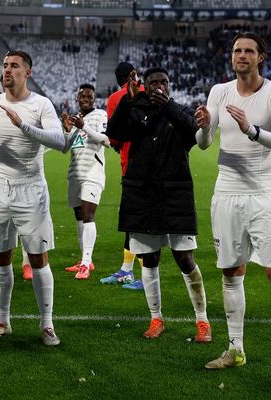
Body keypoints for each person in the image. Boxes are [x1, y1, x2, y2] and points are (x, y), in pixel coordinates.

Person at [195, 32, 271, 388]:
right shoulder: (218, 91)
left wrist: (251, 129)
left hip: (263, 195)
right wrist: (200, 128)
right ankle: (235, 348)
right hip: (226, 194)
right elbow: (205, 143)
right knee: (231, 272)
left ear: (261, 57)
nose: (240, 55)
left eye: (248, 51)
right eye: (236, 50)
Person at [0, 50, 65, 346]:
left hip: (31, 188)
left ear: (27, 72)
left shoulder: (41, 104)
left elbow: (60, 141)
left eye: (14, 66)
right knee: (0, 257)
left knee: (37, 257)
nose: (7, 70)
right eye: (5, 65)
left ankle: (47, 325)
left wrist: (23, 126)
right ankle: (2, 322)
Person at [107, 67, 212, 343]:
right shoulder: (135, 108)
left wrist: (169, 107)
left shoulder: (181, 110)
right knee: (149, 259)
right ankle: (156, 318)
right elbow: (114, 132)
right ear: (145, 85)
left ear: (169, 84)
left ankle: (202, 320)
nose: (158, 87)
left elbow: (195, 135)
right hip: (141, 194)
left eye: (163, 82)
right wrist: (128, 101)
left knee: (185, 258)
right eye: (152, 83)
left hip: (175, 195)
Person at [101, 62, 145, 288]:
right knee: (138, 221)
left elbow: (114, 138)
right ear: (133, 74)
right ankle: (126, 271)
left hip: (131, 165)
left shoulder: (115, 98)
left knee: (137, 220)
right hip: (154, 165)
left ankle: (146, 276)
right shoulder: (150, 93)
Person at [60, 83, 110, 280]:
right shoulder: (75, 118)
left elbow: (106, 140)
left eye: (89, 97)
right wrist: (67, 130)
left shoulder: (100, 115)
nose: (86, 100)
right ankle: (84, 260)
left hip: (93, 172)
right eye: (83, 97)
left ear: (94, 98)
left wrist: (84, 127)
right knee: (79, 216)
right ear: (77, 99)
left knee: (88, 215)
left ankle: (85, 264)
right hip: (75, 173)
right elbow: (65, 148)